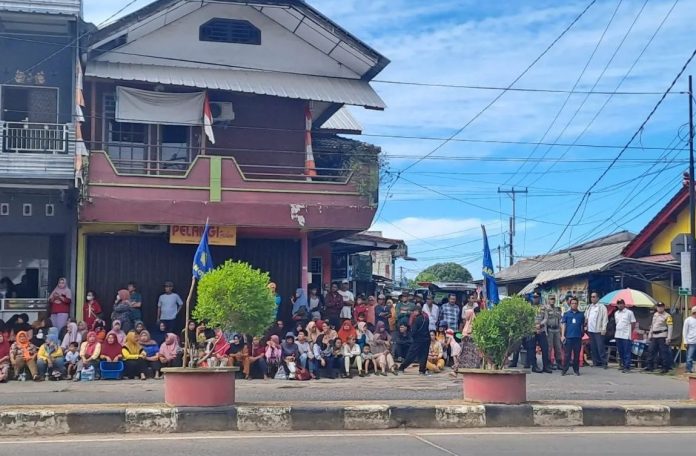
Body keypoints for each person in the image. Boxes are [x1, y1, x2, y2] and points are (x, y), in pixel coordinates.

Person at [398, 305, 431, 376]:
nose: (413, 313)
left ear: (417, 311)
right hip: (426, 339)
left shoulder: (417, 319)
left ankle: (402, 367)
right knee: (424, 356)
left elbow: (414, 331)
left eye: (414, 311)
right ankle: (422, 371)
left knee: (411, 355)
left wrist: (411, 335)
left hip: (418, 340)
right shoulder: (426, 318)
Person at [644, 302, 673, 374]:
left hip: (662, 335)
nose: (659, 308)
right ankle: (649, 366)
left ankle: (665, 367)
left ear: (664, 307)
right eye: (658, 306)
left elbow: (670, 327)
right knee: (651, 350)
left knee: (663, 352)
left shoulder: (667, 316)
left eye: (661, 306)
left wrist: (669, 337)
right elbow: (653, 325)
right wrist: (650, 334)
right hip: (654, 335)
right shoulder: (655, 314)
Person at [527, 292, 552, 374]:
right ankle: (534, 366)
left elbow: (546, 318)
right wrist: (534, 326)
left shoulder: (543, 307)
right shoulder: (529, 308)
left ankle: (546, 366)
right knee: (532, 349)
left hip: (541, 330)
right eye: (534, 297)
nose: (535, 299)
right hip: (532, 330)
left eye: (537, 297)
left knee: (545, 348)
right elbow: (528, 319)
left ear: (539, 298)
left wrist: (540, 324)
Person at [561, 297, 585, 376]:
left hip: (577, 337)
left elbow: (583, 325)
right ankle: (564, 369)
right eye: (572, 303)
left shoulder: (581, 315)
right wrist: (562, 336)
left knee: (577, 355)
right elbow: (563, 325)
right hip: (569, 337)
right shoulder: (566, 314)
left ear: (577, 304)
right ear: (570, 304)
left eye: (575, 303)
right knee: (567, 354)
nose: (574, 305)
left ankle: (576, 370)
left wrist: (583, 335)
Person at [586, 291, 608, 368]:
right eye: (591, 297)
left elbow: (605, 319)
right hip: (591, 330)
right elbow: (587, 317)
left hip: (599, 330)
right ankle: (596, 362)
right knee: (593, 347)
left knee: (600, 347)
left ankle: (604, 362)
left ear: (598, 298)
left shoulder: (602, 307)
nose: (592, 298)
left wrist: (604, 329)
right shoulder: (589, 307)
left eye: (594, 297)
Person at [614, 298, 637, 373]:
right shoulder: (616, 313)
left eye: (621, 303)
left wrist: (630, 331)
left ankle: (627, 366)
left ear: (624, 304)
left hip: (626, 335)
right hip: (618, 334)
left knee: (626, 351)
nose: (620, 305)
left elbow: (633, 323)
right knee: (620, 351)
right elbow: (617, 323)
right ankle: (623, 365)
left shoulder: (629, 312)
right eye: (618, 303)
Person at [546, 295, 563, 370]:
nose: (552, 300)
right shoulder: (545, 309)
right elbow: (545, 321)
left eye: (553, 299)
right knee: (549, 347)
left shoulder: (558, 309)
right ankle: (549, 363)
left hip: (557, 330)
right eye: (551, 299)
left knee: (558, 347)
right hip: (549, 329)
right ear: (548, 300)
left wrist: (561, 331)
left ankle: (559, 362)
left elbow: (560, 320)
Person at [683, 307, 696, 373]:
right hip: (691, 341)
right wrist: (685, 341)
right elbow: (685, 331)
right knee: (689, 357)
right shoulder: (688, 320)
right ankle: (688, 369)